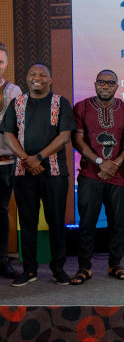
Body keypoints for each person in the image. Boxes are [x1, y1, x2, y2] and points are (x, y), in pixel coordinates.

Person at [2, 63, 75, 286]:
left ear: (50, 80)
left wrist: (39, 157)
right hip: (23, 172)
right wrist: (27, 159)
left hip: (54, 172)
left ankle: (58, 269)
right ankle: (29, 270)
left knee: (56, 221)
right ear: (27, 78)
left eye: (43, 75)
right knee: (27, 222)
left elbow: (64, 136)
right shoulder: (17, 103)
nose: (37, 78)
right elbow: (8, 134)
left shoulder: (61, 103)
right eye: (33, 74)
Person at [70, 70, 124, 285]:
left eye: (110, 83)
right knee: (87, 223)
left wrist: (116, 163)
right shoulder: (82, 107)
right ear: (95, 84)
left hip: (118, 175)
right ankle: (84, 267)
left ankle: (115, 264)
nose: (106, 86)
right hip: (90, 174)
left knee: (117, 223)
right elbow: (77, 140)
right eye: (102, 82)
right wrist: (100, 162)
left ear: (117, 86)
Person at [0, 42, 22, 280]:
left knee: (2, 211)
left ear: (6, 64)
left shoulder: (14, 91)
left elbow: (17, 126)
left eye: (0, 61)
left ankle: (2, 260)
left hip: (4, 162)